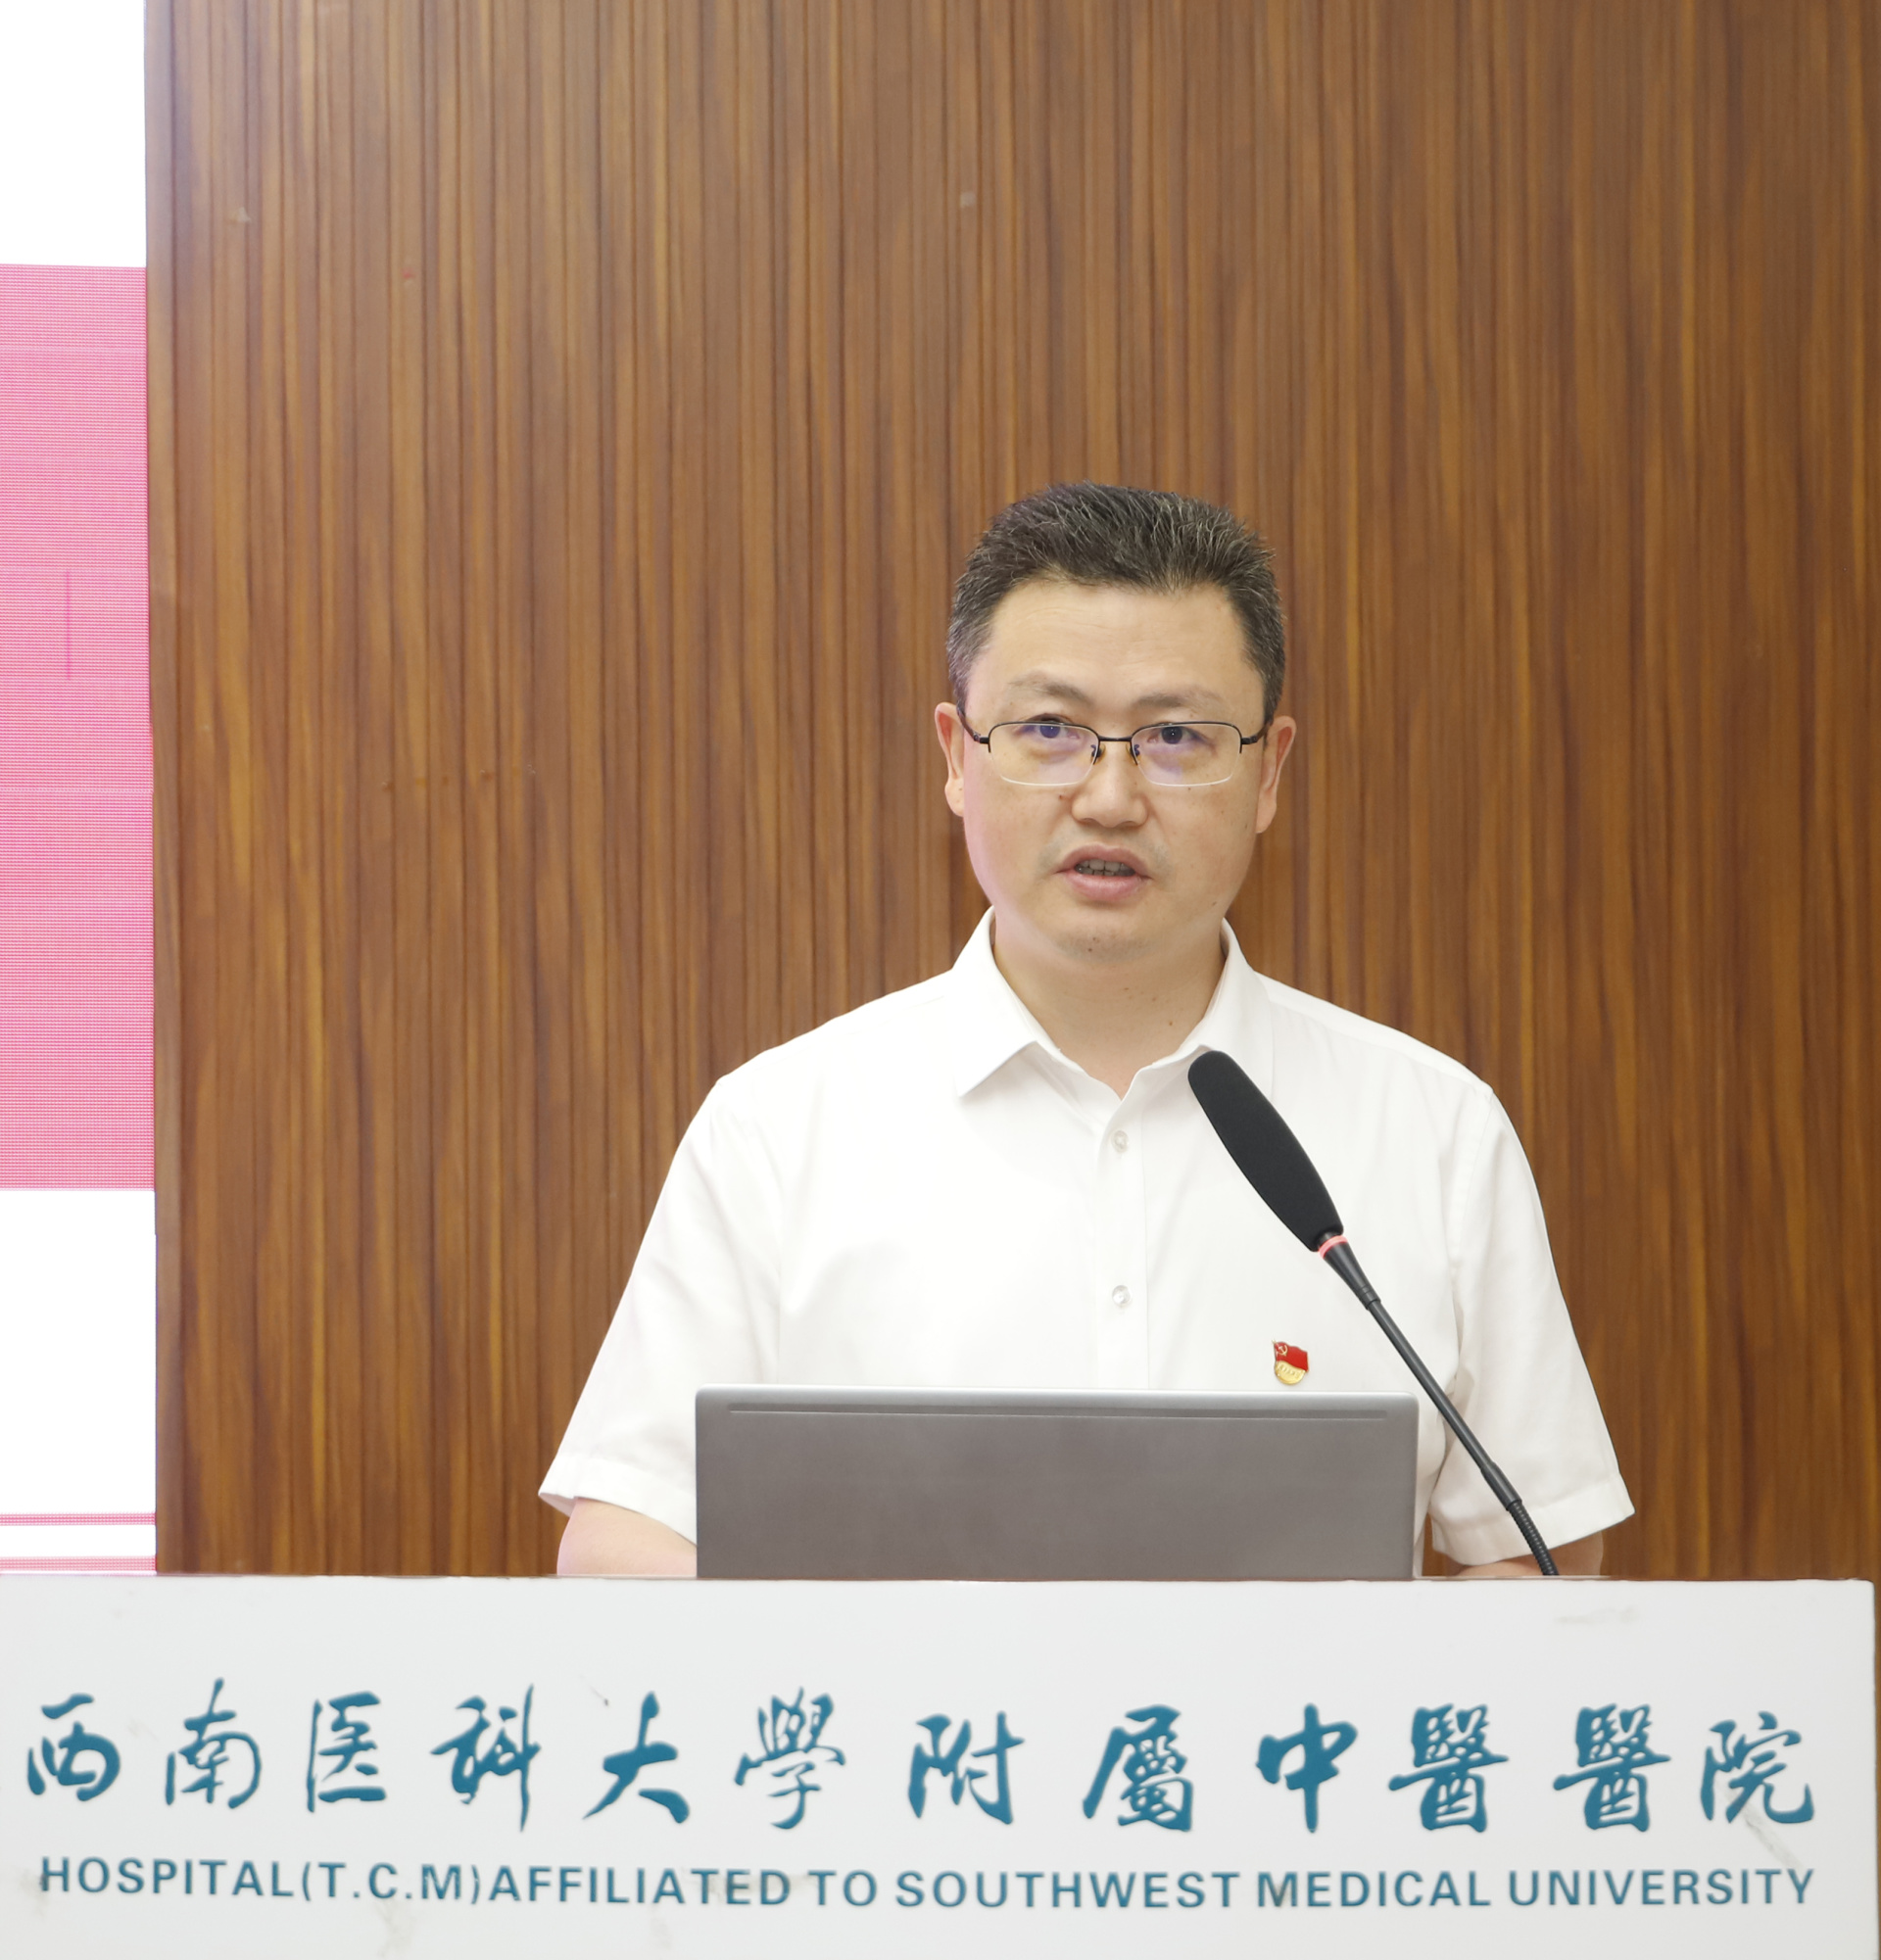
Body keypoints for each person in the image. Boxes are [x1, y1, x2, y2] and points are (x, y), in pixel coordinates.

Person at [545, 483, 1632, 1578]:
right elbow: (624, 1540)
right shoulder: (779, 1130)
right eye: (1050, 731)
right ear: (958, 757)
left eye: (1176, 736)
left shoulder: (1433, 1131)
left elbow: (1538, 1557)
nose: (1110, 798)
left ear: (1269, 771)